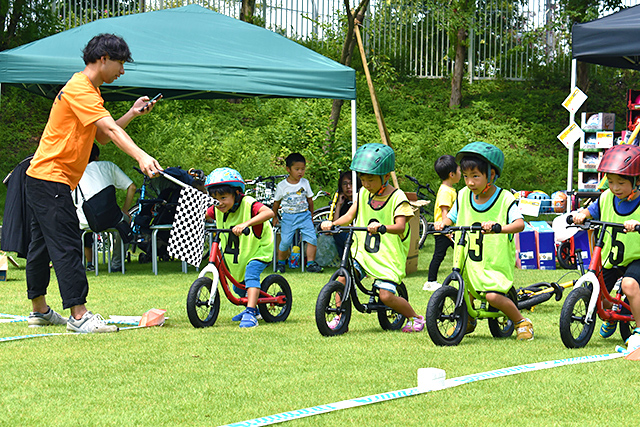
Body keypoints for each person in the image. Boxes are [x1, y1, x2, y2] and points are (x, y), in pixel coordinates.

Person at [25, 33, 162, 333]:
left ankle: (39, 310)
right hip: (52, 178)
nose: (122, 71)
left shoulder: (87, 91)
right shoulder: (81, 88)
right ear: (103, 59)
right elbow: (110, 132)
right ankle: (79, 316)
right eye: (120, 64)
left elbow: (101, 134)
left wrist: (131, 113)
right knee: (68, 243)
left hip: (40, 177)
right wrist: (140, 155)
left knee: (41, 246)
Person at [433, 141, 533, 341]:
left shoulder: (504, 198)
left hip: (494, 263)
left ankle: (521, 321)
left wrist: (498, 228)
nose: (470, 182)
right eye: (467, 177)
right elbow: (450, 218)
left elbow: (520, 224)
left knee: (492, 296)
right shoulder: (462, 196)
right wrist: (442, 224)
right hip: (469, 262)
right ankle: (466, 321)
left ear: (492, 175)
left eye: (476, 176)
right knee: (465, 293)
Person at [321, 143, 425, 333]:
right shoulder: (363, 194)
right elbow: (350, 216)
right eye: (363, 179)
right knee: (342, 278)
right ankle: (339, 316)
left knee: (385, 296)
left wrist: (382, 227)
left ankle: (415, 317)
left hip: (388, 258)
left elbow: (401, 226)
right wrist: (333, 223)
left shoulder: (397, 197)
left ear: (386, 177)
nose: (365, 184)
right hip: (363, 253)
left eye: (370, 180)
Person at [571, 144, 640, 350]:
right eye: (610, 182)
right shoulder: (606, 198)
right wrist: (581, 214)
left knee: (629, 285)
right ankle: (613, 315)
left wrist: (635, 225)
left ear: (637, 181)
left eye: (621, 182)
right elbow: (590, 211)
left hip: (636, 257)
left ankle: (639, 328)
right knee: (596, 290)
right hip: (612, 256)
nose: (615, 187)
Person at [204, 167, 275, 328]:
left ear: (236, 193)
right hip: (239, 252)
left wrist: (246, 223)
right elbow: (206, 214)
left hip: (259, 248)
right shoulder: (218, 208)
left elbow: (269, 213)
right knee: (238, 286)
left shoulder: (249, 204)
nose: (219, 202)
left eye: (223, 197)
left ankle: (250, 312)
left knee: (250, 274)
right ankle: (254, 308)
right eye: (215, 198)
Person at [74, 143, 136, 273]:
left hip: (85, 222)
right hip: (111, 219)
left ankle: (81, 263)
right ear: (97, 156)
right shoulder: (108, 166)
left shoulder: (74, 172)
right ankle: (116, 264)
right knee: (123, 224)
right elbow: (132, 187)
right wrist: (125, 210)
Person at [272, 153, 323, 273]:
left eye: (303, 169)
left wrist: (311, 215)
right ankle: (281, 263)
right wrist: (274, 216)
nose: (300, 172)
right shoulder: (282, 186)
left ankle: (310, 264)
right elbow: (276, 203)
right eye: (297, 169)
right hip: (288, 217)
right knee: (285, 242)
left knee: (312, 239)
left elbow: (310, 201)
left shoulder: (305, 183)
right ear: (288, 169)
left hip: (304, 215)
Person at [423, 155, 461, 291]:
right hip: (444, 230)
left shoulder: (449, 189)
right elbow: (444, 211)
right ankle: (430, 281)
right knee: (440, 255)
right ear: (452, 174)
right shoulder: (446, 191)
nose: (461, 173)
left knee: (457, 252)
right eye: (459, 170)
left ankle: (433, 280)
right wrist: (447, 230)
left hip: (448, 230)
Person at [330, 171, 361, 255]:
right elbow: (335, 223)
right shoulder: (345, 203)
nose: (348, 187)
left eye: (351, 183)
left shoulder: (361, 200)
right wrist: (339, 204)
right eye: (345, 184)